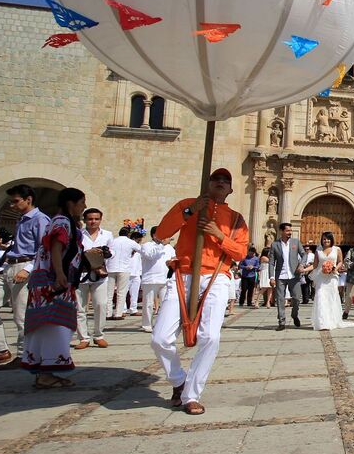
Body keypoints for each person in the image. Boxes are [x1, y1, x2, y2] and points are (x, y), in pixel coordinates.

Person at [150, 167, 249, 415]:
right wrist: (190, 211)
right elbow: (162, 234)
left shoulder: (236, 219)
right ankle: (178, 380)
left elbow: (240, 253)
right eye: (216, 179)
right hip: (184, 274)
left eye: (225, 181)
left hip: (217, 276)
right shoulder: (187, 205)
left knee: (210, 338)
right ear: (207, 183)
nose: (220, 183)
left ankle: (191, 394)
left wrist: (217, 234)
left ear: (231, 189)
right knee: (160, 338)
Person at [21, 187, 97, 388]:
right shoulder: (63, 221)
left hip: (46, 281)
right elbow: (57, 246)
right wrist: (60, 274)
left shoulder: (60, 221)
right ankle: (47, 372)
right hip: (54, 282)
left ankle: (43, 370)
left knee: (46, 325)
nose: (84, 206)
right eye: (82, 202)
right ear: (71, 204)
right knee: (58, 326)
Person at [0, 184, 52, 369]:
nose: (12, 205)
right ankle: (0, 350)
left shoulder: (40, 219)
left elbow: (44, 247)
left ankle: (24, 355)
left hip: (24, 267)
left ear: (29, 199)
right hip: (10, 266)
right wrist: (5, 246)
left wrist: (29, 269)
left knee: (21, 315)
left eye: (16, 201)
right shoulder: (22, 219)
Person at [75, 208, 112, 349]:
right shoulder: (79, 234)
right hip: (81, 274)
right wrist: (86, 253)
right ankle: (83, 337)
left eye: (96, 219)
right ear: (85, 220)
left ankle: (99, 335)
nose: (93, 221)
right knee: (80, 307)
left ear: (100, 220)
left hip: (99, 273)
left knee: (101, 305)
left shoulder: (107, 234)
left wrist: (105, 252)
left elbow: (112, 251)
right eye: (90, 219)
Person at [308, 232, 354, 330]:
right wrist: (304, 270)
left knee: (331, 297)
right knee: (320, 296)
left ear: (331, 240)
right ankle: (322, 322)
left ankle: (331, 320)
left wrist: (335, 268)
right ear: (322, 240)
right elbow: (315, 265)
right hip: (321, 277)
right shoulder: (318, 250)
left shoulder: (337, 249)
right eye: (324, 239)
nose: (326, 241)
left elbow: (340, 261)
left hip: (332, 277)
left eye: (328, 239)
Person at [269, 222, 305, 330]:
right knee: (280, 299)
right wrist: (271, 277)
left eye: (290, 230)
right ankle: (281, 322)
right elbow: (271, 262)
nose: (290, 232)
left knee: (297, 298)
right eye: (287, 230)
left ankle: (294, 314)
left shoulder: (295, 242)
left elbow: (304, 254)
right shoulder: (275, 245)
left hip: (294, 275)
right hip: (280, 276)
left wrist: (301, 264)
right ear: (281, 231)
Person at [105, 228, 143, 320]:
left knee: (109, 293)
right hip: (124, 268)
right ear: (128, 234)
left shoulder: (112, 241)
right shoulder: (130, 242)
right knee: (121, 292)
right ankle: (118, 313)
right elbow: (142, 250)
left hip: (111, 268)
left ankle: (108, 313)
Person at [139, 227, 171, 333]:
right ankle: (147, 324)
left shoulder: (169, 247)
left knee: (165, 303)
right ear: (154, 236)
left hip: (164, 278)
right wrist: (162, 245)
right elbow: (150, 256)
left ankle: (161, 324)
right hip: (150, 278)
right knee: (148, 303)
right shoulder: (146, 246)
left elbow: (174, 257)